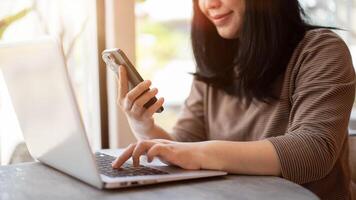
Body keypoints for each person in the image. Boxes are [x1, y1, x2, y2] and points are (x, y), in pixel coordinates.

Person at [111, 0, 355, 199]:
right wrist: (145, 127)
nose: (209, 5)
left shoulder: (321, 50)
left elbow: (313, 151)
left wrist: (198, 154)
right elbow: (182, 146)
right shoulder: (216, 63)